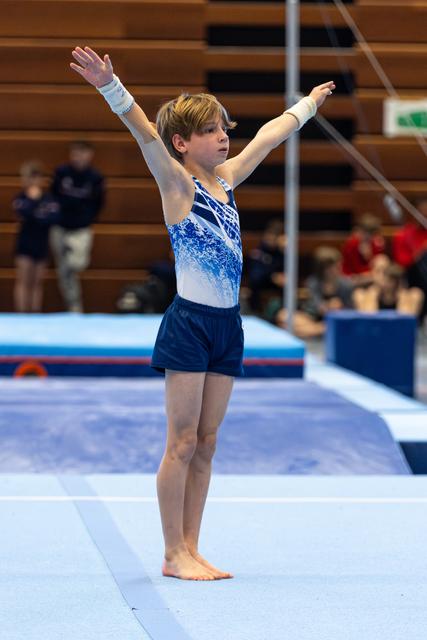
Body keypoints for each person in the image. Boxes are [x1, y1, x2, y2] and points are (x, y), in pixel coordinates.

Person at [70, 45, 335, 580]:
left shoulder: (227, 180)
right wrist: (109, 87)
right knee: (183, 440)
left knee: (208, 444)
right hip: (190, 322)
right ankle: (171, 553)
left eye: (224, 127)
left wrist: (305, 106)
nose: (224, 136)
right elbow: (144, 132)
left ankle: (191, 546)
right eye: (212, 130)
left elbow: (268, 136)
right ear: (182, 143)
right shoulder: (177, 185)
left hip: (227, 325)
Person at [50, 140, 105, 312]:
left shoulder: (95, 178)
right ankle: (74, 307)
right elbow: (52, 196)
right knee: (64, 272)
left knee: (76, 264)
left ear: (90, 155)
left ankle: (71, 255)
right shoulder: (61, 172)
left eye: (82, 153)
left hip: (81, 228)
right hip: (60, 227)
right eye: (75, 153)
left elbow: (99, 202)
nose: (78, 157)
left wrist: (87, 218)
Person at [13, 161, 60, 312]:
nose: (32, 182)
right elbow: (25, 213)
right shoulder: (21, 198)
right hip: (25, 244)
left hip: (41, 243)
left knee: (37, 282)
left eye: (35, 178)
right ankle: (22, 313)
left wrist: (36, 215)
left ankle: (34, 314)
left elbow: (52, 218)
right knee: (23, 281)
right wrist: (33, 201)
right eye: (29, 178)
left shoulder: (48, 199)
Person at [353, 254, 424, 316]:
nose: (383, 276)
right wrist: (375, 290)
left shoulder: (414, 295)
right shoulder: (361, 295)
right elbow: (369, 321)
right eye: (378, 271)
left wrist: (401, 289)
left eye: (385, 271)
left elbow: (404, 322)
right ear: (372, 274)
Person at [303, 246, 354, 321]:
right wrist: (327, 306)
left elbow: (351, 309)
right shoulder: (313, 282)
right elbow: (314, 306)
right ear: (324, 269)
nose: (339, 269)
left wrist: (340, 307)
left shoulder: (346, 284)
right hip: (315, 319)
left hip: (340, 320)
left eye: (339, 266)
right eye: (335, 267)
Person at [246, 218, 286, 313]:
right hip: (262, 282)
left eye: (275, 236)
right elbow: (255, 275)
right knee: (255, 280)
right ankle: (256, 312)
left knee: (287, 283)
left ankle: (282, 311)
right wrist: (272, 275)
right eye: (270, 234)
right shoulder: (259, 251)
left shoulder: (282, 252)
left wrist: (285, 251)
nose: (271, 239)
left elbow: (286, 270)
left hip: (278, 283)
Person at [341, 213, 385, 280]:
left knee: (382, 260)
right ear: (360, 231)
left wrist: (369, 256)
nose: (370, 237)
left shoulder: (375, 243)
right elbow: (356, 270)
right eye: (366, 234)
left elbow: (376, 265)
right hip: (351, 277)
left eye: (372, 234)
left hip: (369, 276)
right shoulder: (351, 244)